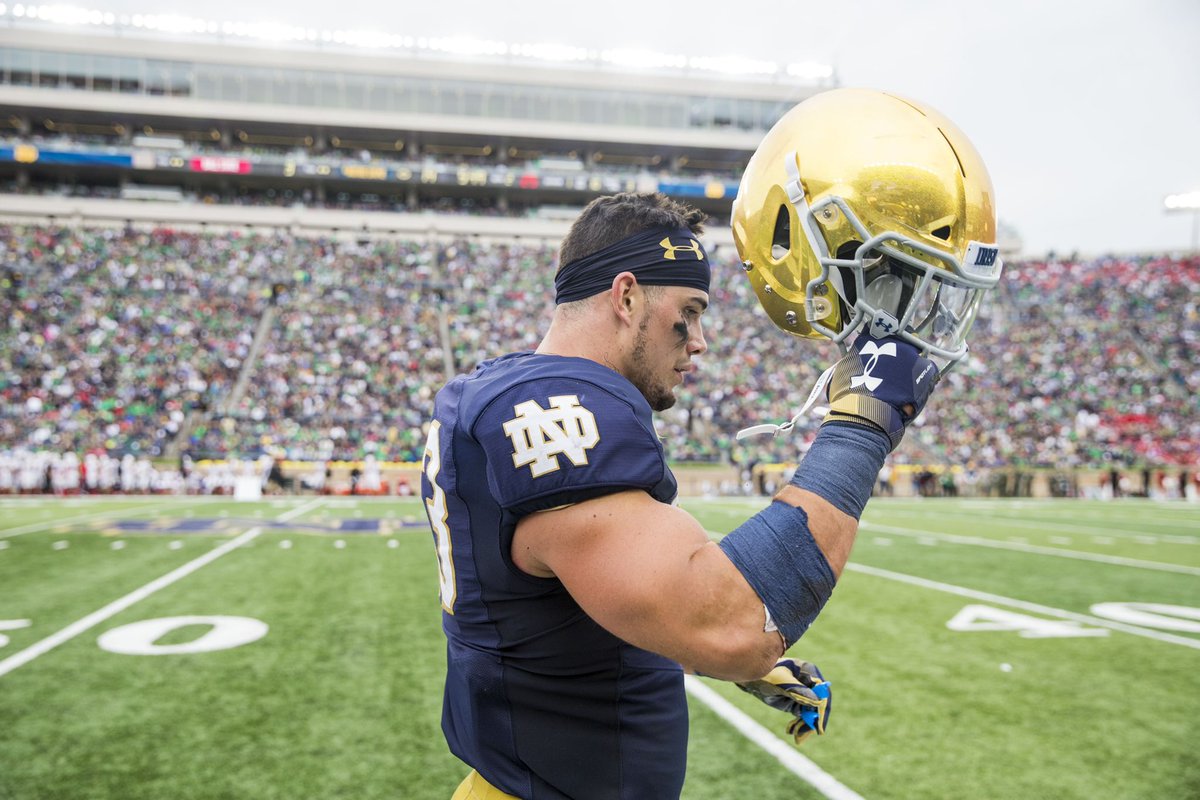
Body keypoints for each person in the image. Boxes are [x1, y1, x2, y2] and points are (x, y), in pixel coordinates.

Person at [422, 88, 1001, 800]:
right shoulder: (558, 408)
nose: (699, 342)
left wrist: (730, 662)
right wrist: (864, 422)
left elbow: (580, 602)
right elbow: (730, 620)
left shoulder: (501, 389)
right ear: (626, 297)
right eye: (688, 313)